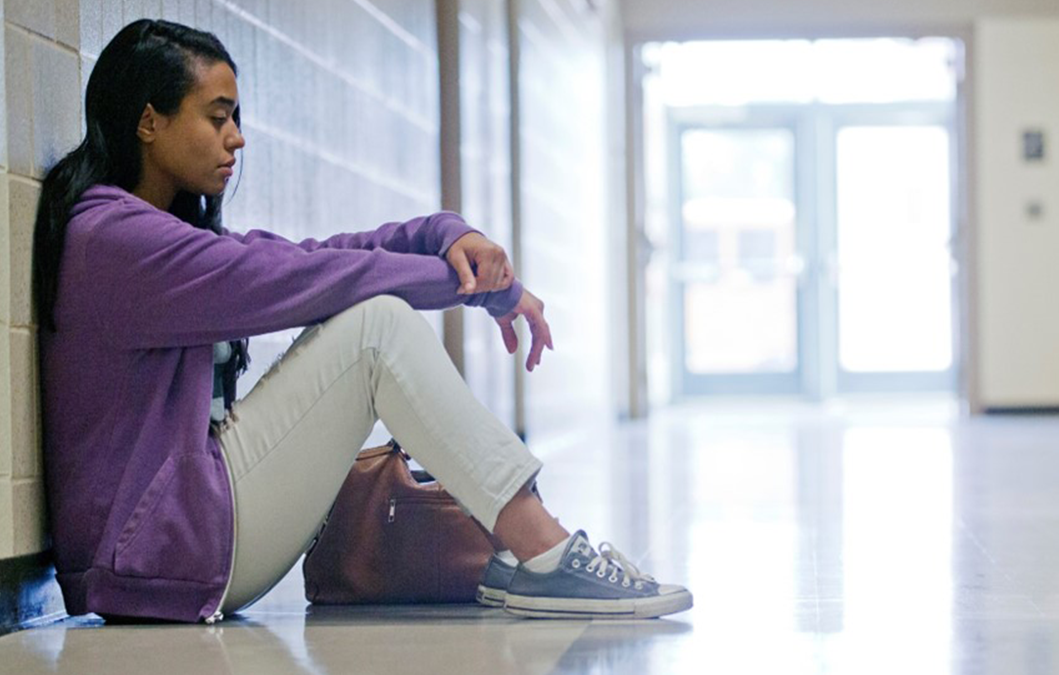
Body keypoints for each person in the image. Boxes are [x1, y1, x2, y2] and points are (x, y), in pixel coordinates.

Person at [33, 19, 691, 623]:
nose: (237, 137)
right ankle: (543, 554)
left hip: (179, 534)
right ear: (149, 121)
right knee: (375, 326)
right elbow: (319, 278)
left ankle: (536, 552)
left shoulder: (153, 233)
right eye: (218, 116)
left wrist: (447, 233)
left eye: (237, 118)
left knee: (372, 317)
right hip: (156, 551)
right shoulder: (114, 241)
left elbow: (318, 255)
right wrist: (484, 290)